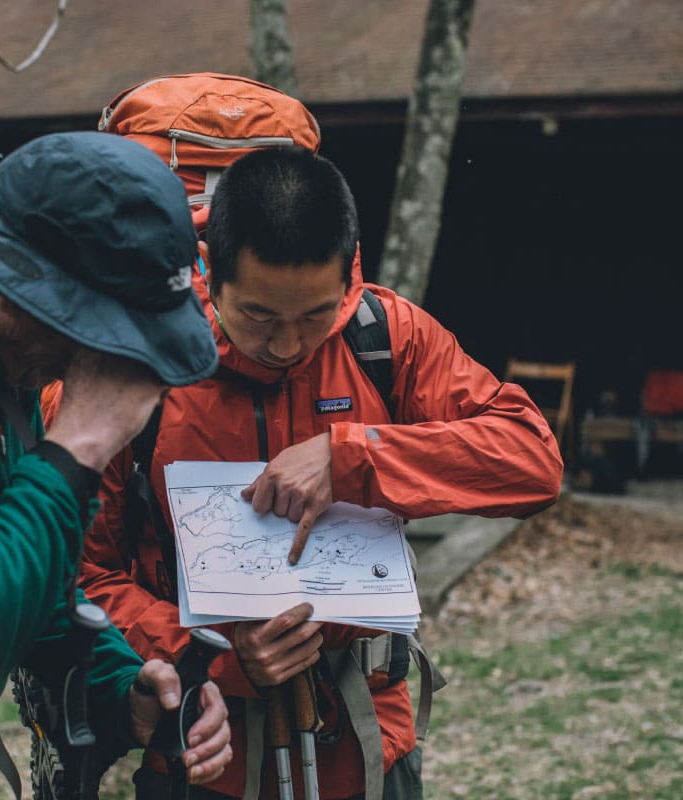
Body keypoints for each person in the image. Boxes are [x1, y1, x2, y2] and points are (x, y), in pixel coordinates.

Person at [43, 146, 563, 800]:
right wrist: (218, 655)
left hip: (370, 741)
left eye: (316, 315)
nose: (288, 344)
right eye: (260, 316)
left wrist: (354, 457)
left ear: (347, 276)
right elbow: (76, 574)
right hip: (205, 750)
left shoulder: (385, 336)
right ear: (213, 272)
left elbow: (531, 457)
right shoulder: (135, 364)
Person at [0, 131, 234, 799]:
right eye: (97, 339)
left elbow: (18, 578)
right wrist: (77, 445)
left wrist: (120, 686)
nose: (92, 367)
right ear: (17, 286)